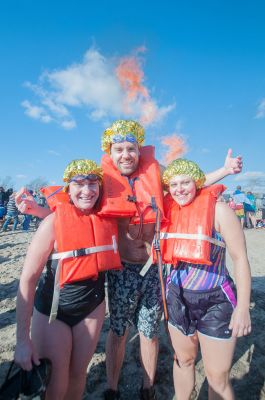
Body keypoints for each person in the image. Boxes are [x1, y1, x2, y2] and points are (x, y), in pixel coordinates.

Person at [15, 120, 243, 400]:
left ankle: (147, 388)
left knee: (149, 331)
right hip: (121, 269)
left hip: (153, 269)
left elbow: (188, 183)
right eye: (119, 149)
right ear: (110, 152)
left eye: (131, 148)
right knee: (119, 330)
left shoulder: (154, 171)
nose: (126, 154)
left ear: (138, 150)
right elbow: (74, 213)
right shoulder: (103, 182)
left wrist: (225, 170)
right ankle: (111, 388)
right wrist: (38, 211)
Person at [14, 159, 121, 400]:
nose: (87, 190)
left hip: (92, 307)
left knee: (77, 374)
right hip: (54, 311)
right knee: (55, 380)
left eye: (93, 183)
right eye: (79, 183)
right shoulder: (52, 223)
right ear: (68, 189)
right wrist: (22, 341)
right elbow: (27, 280)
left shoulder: (108, 221)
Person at [159, 159, 251, 400]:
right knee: (183, 361)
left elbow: (240, 259)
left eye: (186, 182)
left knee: (217, 377)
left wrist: (242, 308)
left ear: (197, 182)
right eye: (174, 184)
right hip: (177, 297)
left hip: (216, 302)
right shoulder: (167, 210)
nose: (179, 189)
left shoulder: (220, 211)